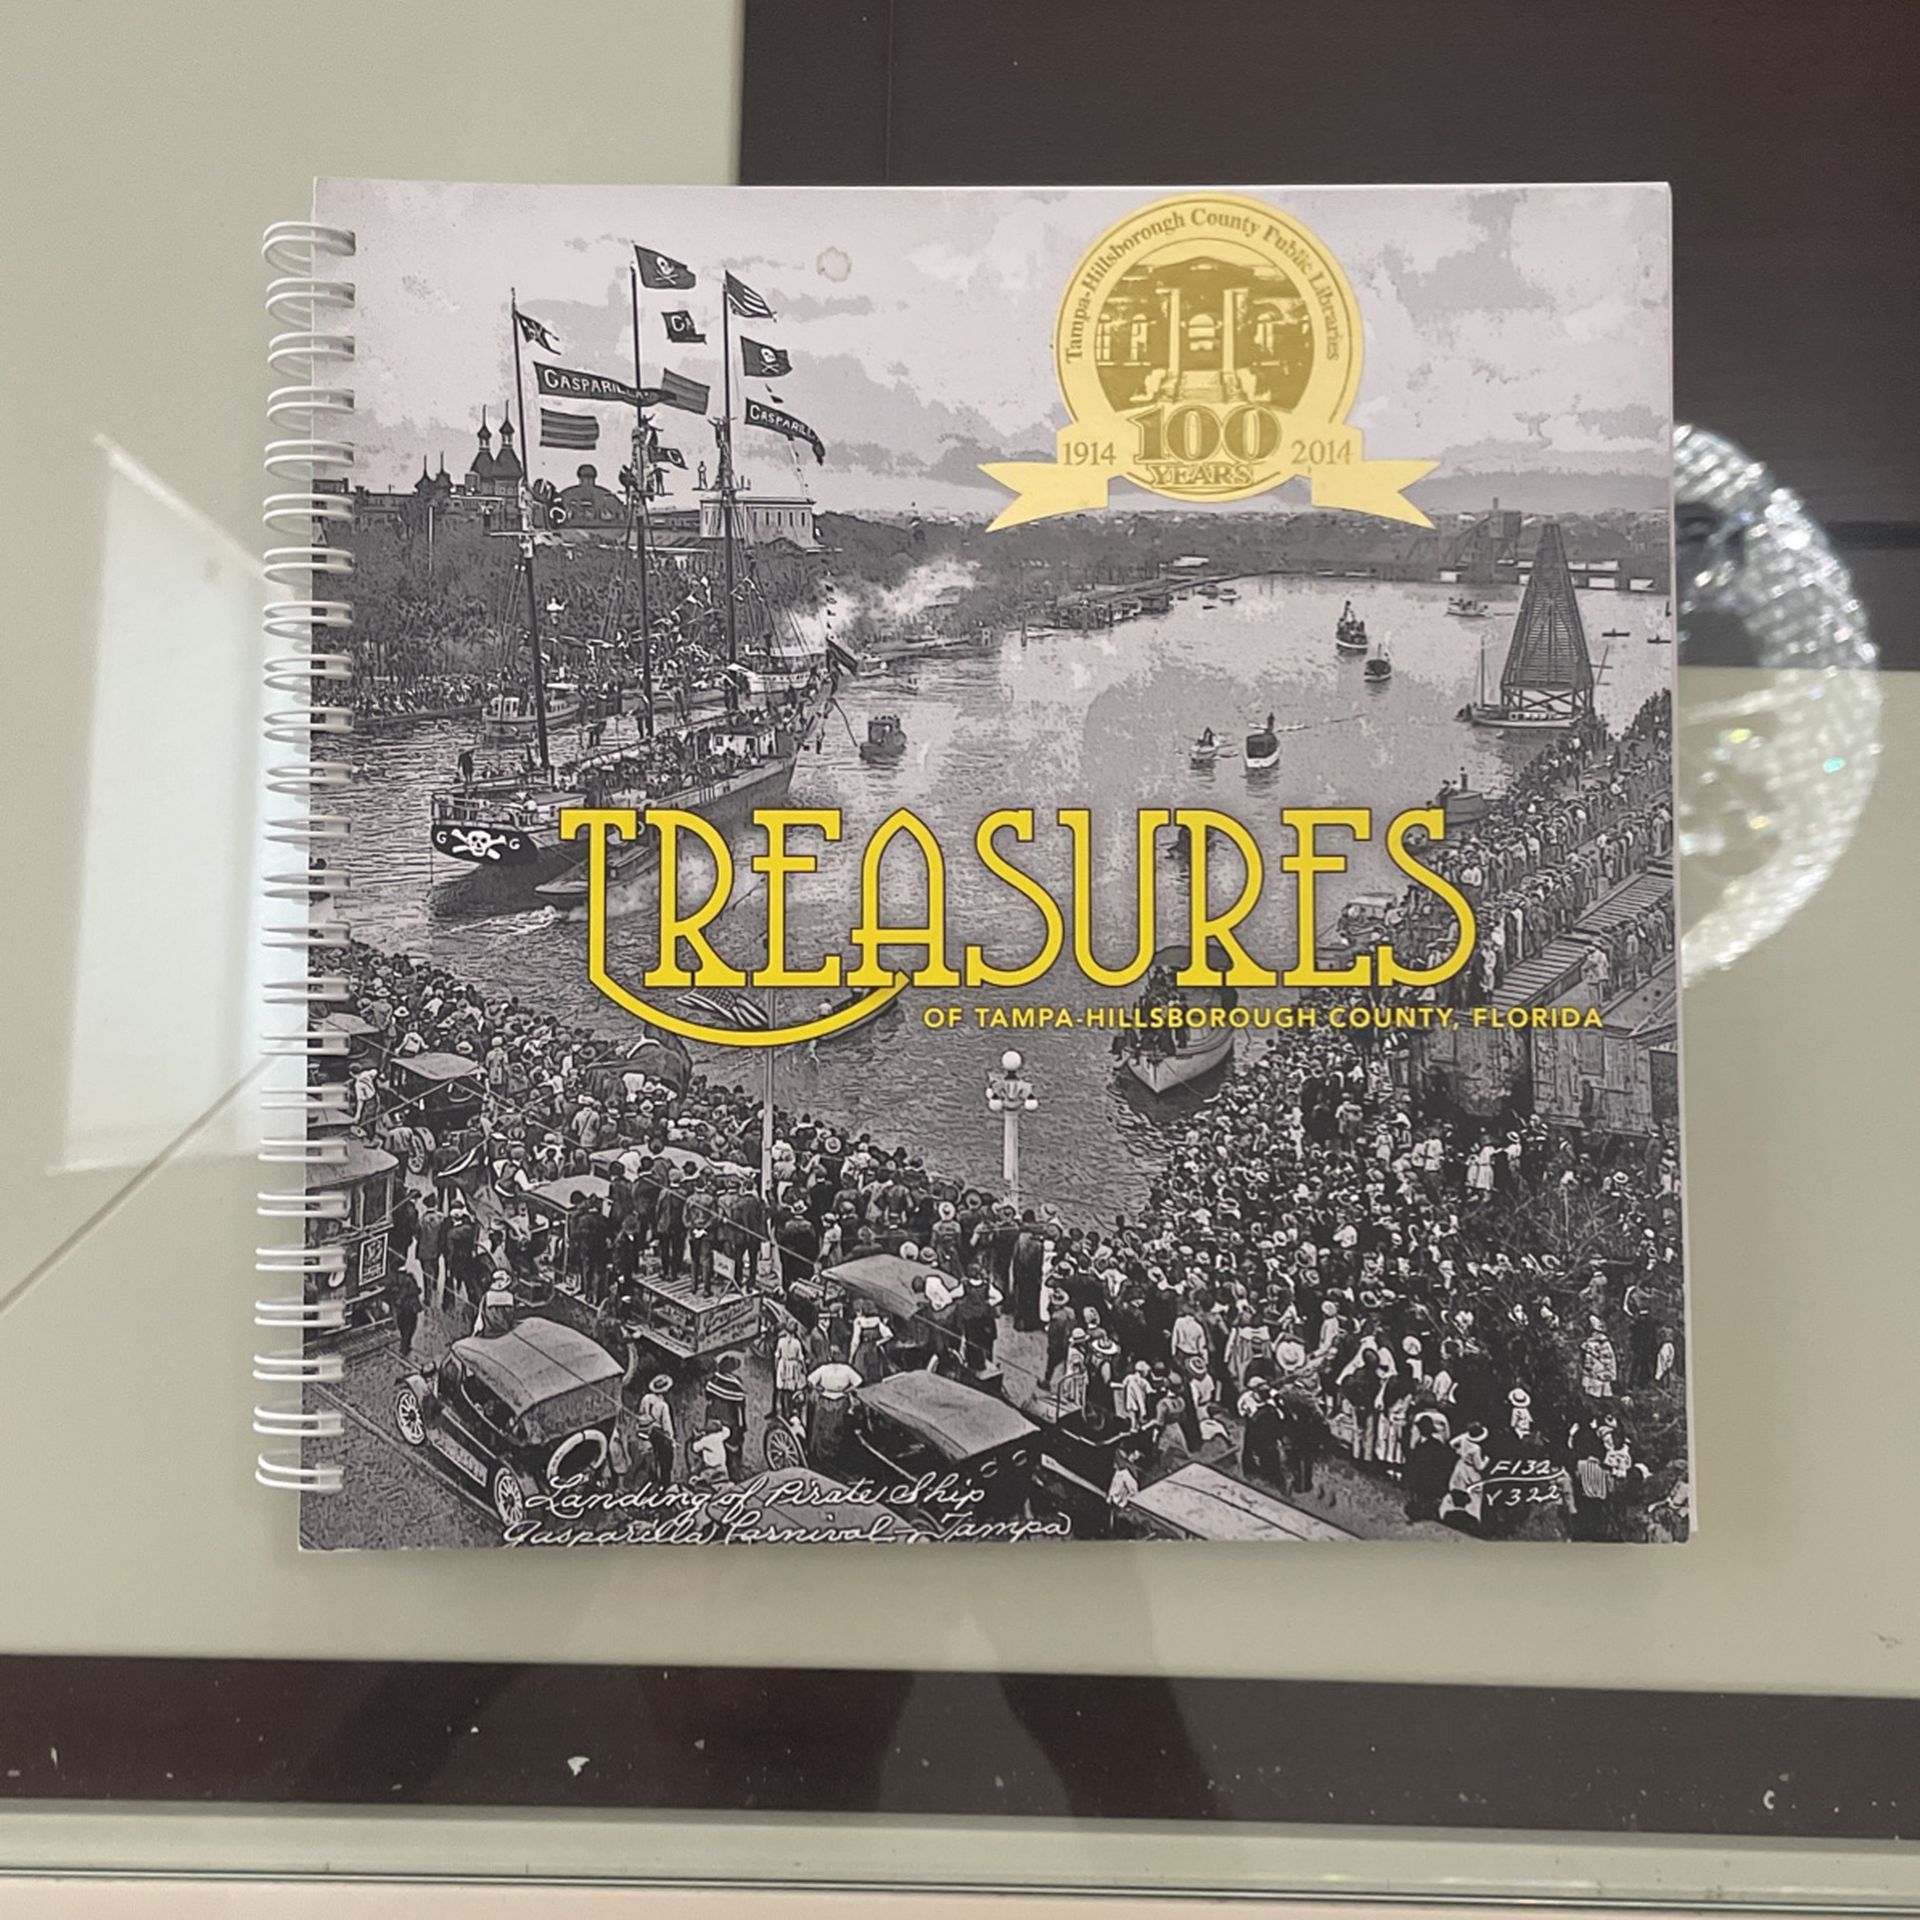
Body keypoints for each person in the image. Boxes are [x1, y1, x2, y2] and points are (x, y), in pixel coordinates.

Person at [638, 1373, 677, 1488]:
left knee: (651, 1461)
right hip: (658, 1435)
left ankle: (652, 1483)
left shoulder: (645, 1399)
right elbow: (667, 1425)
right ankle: (665, 1484)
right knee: (666, 1459)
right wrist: (671, 1439)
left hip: (644, 1432)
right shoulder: (663, 1405)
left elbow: (640, 1414)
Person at [384, 1253, 420, 1361]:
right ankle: (405, 1347)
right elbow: (415, 1290)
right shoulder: (409, 1278)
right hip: (411, 1308)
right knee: (410, 1327)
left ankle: (404, 1345)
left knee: (403, 1326)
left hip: (400, 1309)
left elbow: (388, 1291)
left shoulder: (393, 1279)